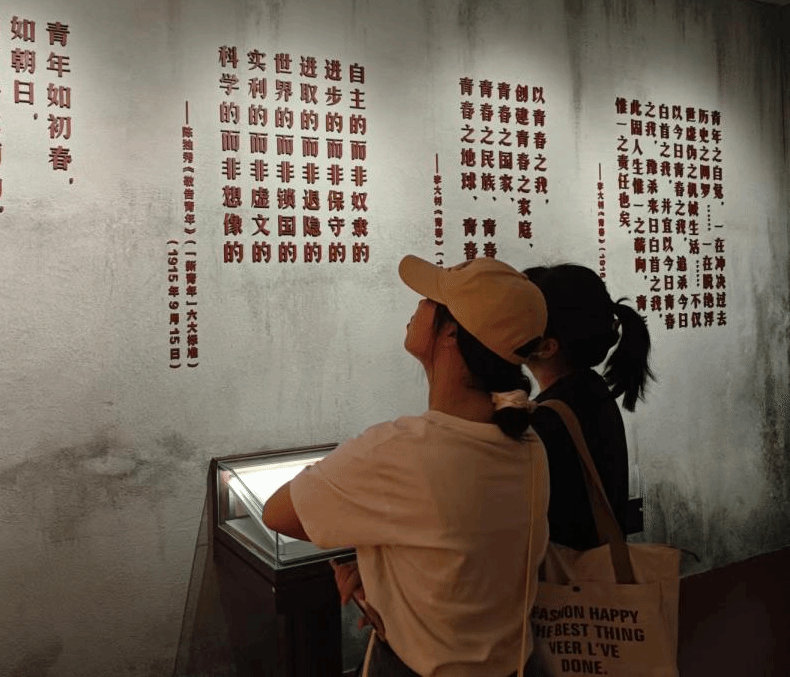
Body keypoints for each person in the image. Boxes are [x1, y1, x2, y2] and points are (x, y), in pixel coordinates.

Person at [262, 255, 551, 677]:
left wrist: (376, 554)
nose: (418, 304)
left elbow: (278, 512)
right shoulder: (529, 445)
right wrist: (388, 570)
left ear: (450, 333)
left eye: (431, 299)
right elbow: (461, 568)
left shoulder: (401, 451)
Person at [522, 264, 655, 550]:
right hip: (595, 567)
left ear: (547, 347)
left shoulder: (549, 419)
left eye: (515, 318)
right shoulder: (590, 390)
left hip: (565, 572)